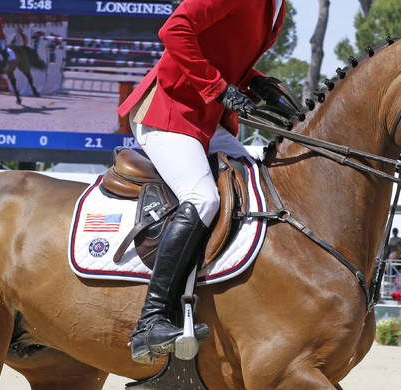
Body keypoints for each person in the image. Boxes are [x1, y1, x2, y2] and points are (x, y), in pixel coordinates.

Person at [116, 0, 287, 364]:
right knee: (204, 198)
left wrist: (258, 83)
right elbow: (174, 30)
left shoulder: (277, 7)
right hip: (169, 112)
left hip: (209, 123)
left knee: (260, 186)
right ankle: (150, 321)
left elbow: (224, 51)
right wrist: (219, 87)